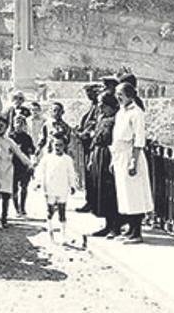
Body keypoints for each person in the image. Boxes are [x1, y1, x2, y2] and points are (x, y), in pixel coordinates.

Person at [112, 82, 153, 245]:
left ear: (130, 95)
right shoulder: (121, 112)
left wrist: (133, 161)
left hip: (131, 155)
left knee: (134, 194)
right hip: (120, 155)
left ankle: (137, 232)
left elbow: (138, 139)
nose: (118, 97)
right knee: (124, 194)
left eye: (120, 94)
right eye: (117, 93)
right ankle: (129, 229)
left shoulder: (137, 113)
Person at [87, 92, 121, 237]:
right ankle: (107, 224)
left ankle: (115, 226)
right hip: (98, 155)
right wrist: (91, 158)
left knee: (110, 191)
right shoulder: (101, 118)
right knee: (100, 191)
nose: (100, 107)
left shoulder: (117, 119)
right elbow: (95, 139)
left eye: (103, 105)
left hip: (108, 155)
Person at [0, 117, 31, 228]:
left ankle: (4, 218)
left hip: (6, 171)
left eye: (1, 126)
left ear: (6, 128)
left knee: (6, 196)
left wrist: (29, 164)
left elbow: (20, 154)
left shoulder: (9, 142)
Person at [35, 132, 77, 244]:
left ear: (64, 146)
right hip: (50, 188)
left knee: (62, 211)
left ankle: (63, 235)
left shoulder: (67, 159)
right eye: (56, 145)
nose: (58, 147)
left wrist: (72, 185)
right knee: (50, 211)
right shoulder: (47, 158)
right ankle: (50, 232)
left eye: (60, 145)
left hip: (62, 188)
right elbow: (40, 171)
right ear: (52, 145)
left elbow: (71, 173)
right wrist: (38, 182)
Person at [75, 84, 102, 213]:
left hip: (92, 143)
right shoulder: (93, 106)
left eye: (90, 93)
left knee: (92, 174)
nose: (89, 96)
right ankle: (90, 200)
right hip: (86, 143)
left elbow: (94, 124)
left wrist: (85, 132)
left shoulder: (99, 107)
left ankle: (93, 202)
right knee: (88, 174)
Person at [9, 116, 36, 218]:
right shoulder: (10, 137)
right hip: (13, 165)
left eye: (21, 123)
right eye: (17, 123)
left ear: (24, 125)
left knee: (24, 187)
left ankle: (23, 207)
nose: (19, 125)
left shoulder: (27, 137)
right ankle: (17, 209)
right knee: (14, 188)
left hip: (24, 165)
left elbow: (32, 150)